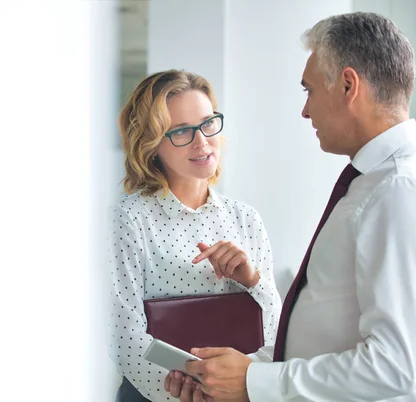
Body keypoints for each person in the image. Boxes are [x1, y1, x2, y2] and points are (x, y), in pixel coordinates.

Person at [165, 12, 416, 402]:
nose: (305, 111)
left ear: (348, 85)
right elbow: (329, 332)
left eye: (309, 91)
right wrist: (234, 376)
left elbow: (397, 367)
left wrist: (254, 383)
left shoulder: (397, 188)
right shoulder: (372, 182)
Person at [109, 69, 282, 402]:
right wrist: (195, 393)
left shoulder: (246, 219)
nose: (201, 141)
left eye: (207, 124)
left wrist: (252, 280)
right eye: (181, 132)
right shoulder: (127, 220)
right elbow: (124, 338)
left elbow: (275, 326)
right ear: (151, 144)